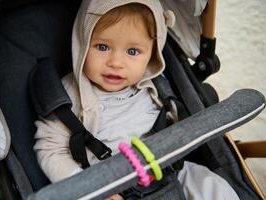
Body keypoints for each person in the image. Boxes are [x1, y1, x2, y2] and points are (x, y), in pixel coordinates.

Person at [34, 0, 240, 199]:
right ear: (82, 41)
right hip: (108, 186)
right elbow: (51, 151)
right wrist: (88, 190)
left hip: (168, 170)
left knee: (212, 185)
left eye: (132, 51)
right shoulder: (69, 95)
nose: (116, 62)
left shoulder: (157, 85)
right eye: (102, 47)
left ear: (151, 54)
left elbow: (177, 124)